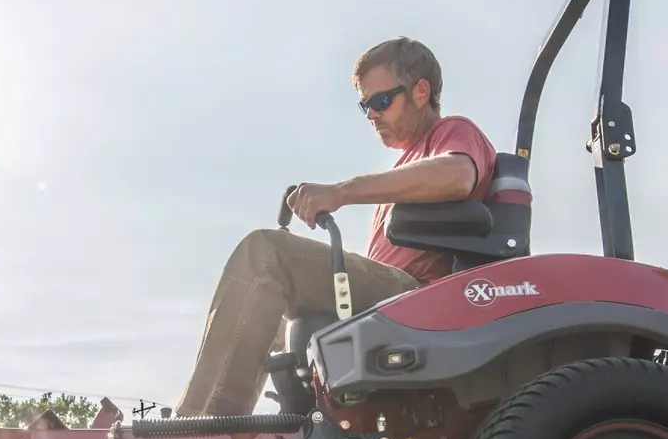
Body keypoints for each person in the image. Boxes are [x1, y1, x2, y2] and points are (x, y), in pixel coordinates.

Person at [176, 37, 497, 417]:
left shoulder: (453, 133)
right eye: (365, 106)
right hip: (395, 293)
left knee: (266, 252)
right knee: (270, 276)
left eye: (380, 102)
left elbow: (458, 176)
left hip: (420, 296)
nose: (371, 116)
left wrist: (341, 192)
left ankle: (207, 425)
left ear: (421, 91)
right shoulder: (404, 170)